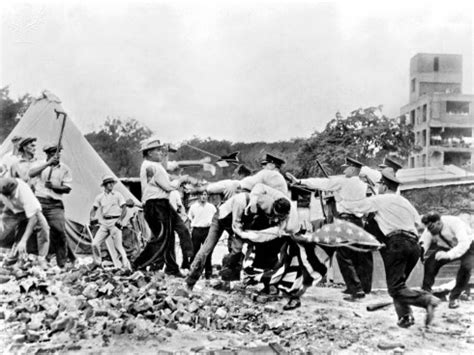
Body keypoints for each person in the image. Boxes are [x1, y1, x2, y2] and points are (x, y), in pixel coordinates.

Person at [349, 170, 440, 327]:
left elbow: (356, 208)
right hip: (414, 246)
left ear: (384, 186)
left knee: (396, 288)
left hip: (397, 244)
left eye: (379, 185)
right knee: (398, 283)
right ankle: (405, 316)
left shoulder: (380, 199)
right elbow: (419, 224)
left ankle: (427, 300)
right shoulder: (405, 202)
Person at [286, 156, 373, 300]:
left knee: (343, 255)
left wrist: (300, 181)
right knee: (361, 255)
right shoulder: (364, 184)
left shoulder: (343, 182)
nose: (344, 169)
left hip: (346, 221)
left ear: (353, 169)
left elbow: (323, 183)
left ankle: (356, 289)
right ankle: (365, 287)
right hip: (359, 221)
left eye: (347, 167)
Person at [133, 137, 188, 277]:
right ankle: (138, 264)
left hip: (162, 203)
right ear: (149, 152)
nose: (159, 152)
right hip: (155, 204)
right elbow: (168, 187)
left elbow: (165, 172)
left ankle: (172, 267)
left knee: (176, 231)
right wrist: (181, 180)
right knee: (162, 238)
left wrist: (166, 156)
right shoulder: (151, 166)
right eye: (157, 150)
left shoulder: (154, 166)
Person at [28, 144, 75, 268]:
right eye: (53, 153)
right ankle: (40, 260)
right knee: (40, 230)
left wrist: (54, 187)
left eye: (58, 153)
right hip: (40, 202)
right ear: (47, 155)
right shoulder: (40, 165)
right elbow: (31, 173)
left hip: (55, 204)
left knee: (60, 231)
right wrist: (47, 164)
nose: (57, 156)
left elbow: (67, 188)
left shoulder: (65, 169)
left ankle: (62, 263)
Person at [420, 211, 474, 309]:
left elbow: (464, 243)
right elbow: (424, 243)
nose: (430, 231)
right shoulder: (429, 229)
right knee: (430, 263)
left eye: (432, 227)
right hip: (445, 246)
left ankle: (454, 297)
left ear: (439, 223)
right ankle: (426, 294)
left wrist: (449, 255)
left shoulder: (455, 223)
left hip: (467, 246)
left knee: (467, 267)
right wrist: (419, 255)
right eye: (428, 228)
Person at [0, 177, 50, 266]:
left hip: (31, 211)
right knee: (2, 230)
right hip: (12, 210)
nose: (8, 197)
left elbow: (33, 218)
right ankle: (13, 254)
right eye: (6, 195)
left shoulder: (25, 193)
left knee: (44, 228)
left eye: (11, 195)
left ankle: (41, 258)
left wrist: (24, 241)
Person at [90, 175, 131, 270]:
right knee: (95, 243)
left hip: (115, 222)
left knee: (118, 246)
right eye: (108, 183)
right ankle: (98, 263)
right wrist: (91, 217)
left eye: (112, 183)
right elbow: (94, 209)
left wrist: (120, 219)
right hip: (104, 223)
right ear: (104, 185)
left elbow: (124, 208)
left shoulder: (118, 195)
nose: (111, 185)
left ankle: (126, 266)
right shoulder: (99, 197)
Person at [187, 190, 217, 279]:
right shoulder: (193, 207)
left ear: (207, 196)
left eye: (205, 195)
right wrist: (189, 230)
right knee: (194, 251)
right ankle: (191, 272)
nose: (203, 197)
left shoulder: (211, 207)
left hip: (207, 230)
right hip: (196, 230)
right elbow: (189, 219)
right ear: (198, 196)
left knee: (208, 252)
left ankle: (208, 273)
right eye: (201, 195)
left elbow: (216, 219)